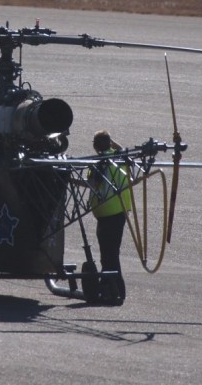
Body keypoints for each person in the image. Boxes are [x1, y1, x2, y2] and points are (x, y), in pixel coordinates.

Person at [89, 130, 131, 305]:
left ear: (95, 146)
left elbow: (93, 184)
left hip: (106, 214)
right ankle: (113, 287)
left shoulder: (99, 163)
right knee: (113, 251)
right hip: (121, 212)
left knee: (108, 254)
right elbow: (120, 148)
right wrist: (111, 143)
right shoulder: (120, 158)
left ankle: (113, 288)